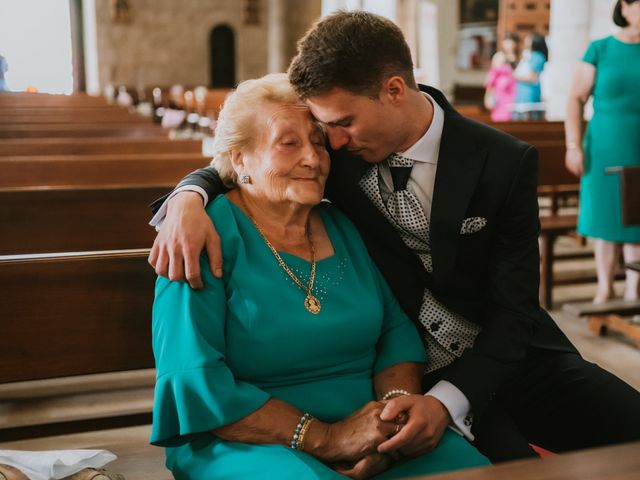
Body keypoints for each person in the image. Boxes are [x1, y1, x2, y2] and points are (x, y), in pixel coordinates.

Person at [149, 11, 640, 463]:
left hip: (507, 351)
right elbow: (248, 159)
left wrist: (446, 404)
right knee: (512, 468)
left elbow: (514, 312)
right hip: (413, 367)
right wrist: (188, 197)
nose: (330, 146)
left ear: (394, 90)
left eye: (341, 125)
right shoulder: (332, 159)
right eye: (325, 130)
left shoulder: (502, 162)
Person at [151, 73, 489, 479]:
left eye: (316, 141)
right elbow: (195, 377)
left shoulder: (342, 224)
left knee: (473, 472)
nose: (312, 158)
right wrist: (326, 438)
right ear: (240, 159)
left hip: (368, 425)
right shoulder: (200, 237)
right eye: (288, 143)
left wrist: (391, 422)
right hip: (245, 437)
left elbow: (396, 332)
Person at [565, 0, 640, 303]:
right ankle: (604, 288)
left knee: (639, 220)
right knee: (606, 218)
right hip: (605, 145)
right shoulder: (600, 48)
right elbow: (575, 99)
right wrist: (573, 145)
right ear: (625, 7)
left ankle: (635, 292)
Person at [484, 32, 518, 122]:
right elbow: (492, 78)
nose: (509, 44)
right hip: (501, 96)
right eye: (507, 42)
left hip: (515, 95)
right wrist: (487, 96)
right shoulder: (499, 56)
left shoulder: (518, 58)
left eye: (511, 42)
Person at [513, 33, 548, 120]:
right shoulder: (528, 55)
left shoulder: (538, 56)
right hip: (523, 93)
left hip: (529, 93)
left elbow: (532, 77)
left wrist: (516, 76)